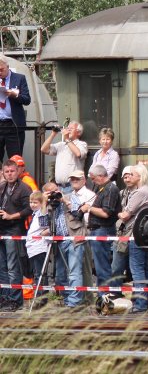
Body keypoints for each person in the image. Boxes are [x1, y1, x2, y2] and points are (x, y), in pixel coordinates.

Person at [110, 164, 148, 313]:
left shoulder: (140, 192)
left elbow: (125, 214)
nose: (129, 176)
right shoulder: (140, 192)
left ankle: (140, 304)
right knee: (144, 269)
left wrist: (118, 213)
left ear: (139, 176)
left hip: (135, 234)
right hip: (140, 234)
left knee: (137, 269)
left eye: (132, 174)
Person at [0, 159, 31, 310]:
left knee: (13, 267)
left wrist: (11, 216)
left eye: (12, 171)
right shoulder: (2, 187)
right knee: (2, 267)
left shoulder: (24, 188)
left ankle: (15, 300)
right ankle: (5, 297)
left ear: (17, 171)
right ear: (3, 173)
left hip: (14, 231)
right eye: (7, 172)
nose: (10, 174)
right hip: (2, 230)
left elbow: (29, 209)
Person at [61, 169, 95, 308]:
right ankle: (84, 299)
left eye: (77, 179)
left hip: (83, 234)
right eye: (72, 179)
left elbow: (84, 217)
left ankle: (81, 301)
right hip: (68, 236)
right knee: (75, 270)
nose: (74, 181)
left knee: (82, 269)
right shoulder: (67, 195)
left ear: (84, 180)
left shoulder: (90, 195)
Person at [84, 164, 119, 289]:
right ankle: (103, 295)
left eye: (93, 178)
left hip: (103, 230)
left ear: (100, 176)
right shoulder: (103, 189)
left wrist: (89, 208)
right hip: (97, 230)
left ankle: (105, 295)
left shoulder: (110, 189)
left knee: (102, 265)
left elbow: (105, 213)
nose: (92, 181)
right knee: (99, 266)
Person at [0, 58, 32, 161]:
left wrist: (15, 95)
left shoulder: (19, 78)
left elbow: (27, 100)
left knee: (15, 159)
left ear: (8, 67)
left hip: (13, 125)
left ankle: (15, 177)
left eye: (1, 69)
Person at [40, 122, 87, 190]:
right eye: (68, 128)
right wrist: (53, 134)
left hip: (73, 186)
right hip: (59, 187)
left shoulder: (81, 144)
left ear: (78, 132)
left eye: (71, 128)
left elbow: (78, 154)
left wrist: (67, 139)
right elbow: (43, 149)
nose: (68, 130)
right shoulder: (61, 144)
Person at [24, 190, 49, 283]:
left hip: (39, 247)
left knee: (40, 273)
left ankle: (42, 294)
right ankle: (40, 293)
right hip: (32, 247)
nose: (32, 204)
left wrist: (44, 203)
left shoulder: (42, 212)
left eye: (35, 202)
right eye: (31, 202)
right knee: (36, 273)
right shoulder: (34, 214)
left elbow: (45, 224)